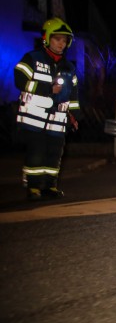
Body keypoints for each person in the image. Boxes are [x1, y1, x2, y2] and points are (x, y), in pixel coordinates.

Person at [14, 17, 80, 201]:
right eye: (57, 39)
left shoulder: (69, 68)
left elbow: (73, 95)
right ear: (47, 38)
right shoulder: (32, 58)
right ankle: (34, 188)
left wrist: (74, 116)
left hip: (57, 122)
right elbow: (19, 80)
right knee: (36, 154)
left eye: (65, 40)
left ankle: (50, 187)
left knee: (54, 155)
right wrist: (47, 89)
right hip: (34, 120)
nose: (61, 43)